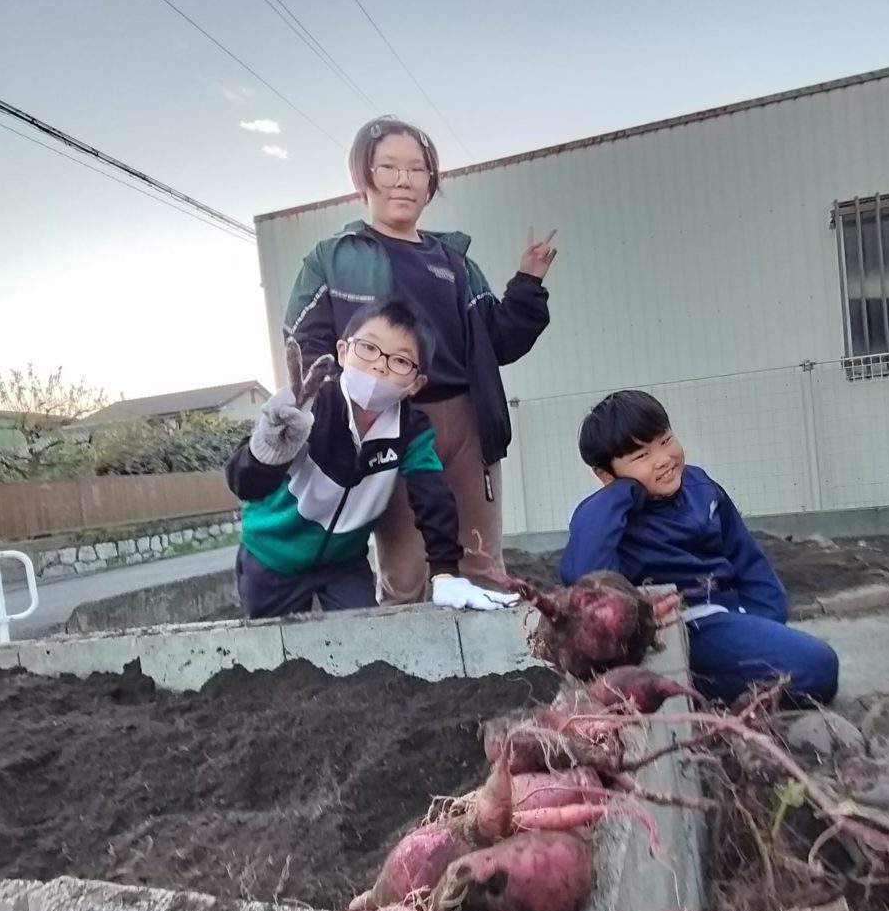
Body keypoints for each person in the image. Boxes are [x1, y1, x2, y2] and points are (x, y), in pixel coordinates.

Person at [284, 115, 558, 605]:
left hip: (467, 422)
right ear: (363, 175)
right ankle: (408, 652)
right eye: (389, 167)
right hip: (388, 424)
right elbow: (304, 345)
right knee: (406, 572)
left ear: (431, 181)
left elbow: (498, 340)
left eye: (417, 169)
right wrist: (341, 417)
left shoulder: (455, 263)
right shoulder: (332, 258)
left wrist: (528, 283)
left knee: (481, 563)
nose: (404, 180)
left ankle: (487, 650)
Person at [226, 296, 520, 619]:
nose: (380, 365)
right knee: (273, 644)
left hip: (344, 563)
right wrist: (268, 453)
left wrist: (444, 572)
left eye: (401, 361)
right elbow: (244, 485)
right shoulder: (307, 408)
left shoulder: (411, 430)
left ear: (416, 383)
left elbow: (433, 496)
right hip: (272, 557)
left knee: (363, 637)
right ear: (342, 351)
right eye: (368, 348)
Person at [559, 390, 839, 706]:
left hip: (727, 619)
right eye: (642, 456)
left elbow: (748, 560)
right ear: (605, 474)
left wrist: (761, 621)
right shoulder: (607, 516)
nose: (663, 459)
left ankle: (691, 689)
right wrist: (619, 493)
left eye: (665, 441)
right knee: (819, 667)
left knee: (813, 666)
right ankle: (681, 690)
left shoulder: (702, 488)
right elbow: (582, 576)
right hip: (673, 629)